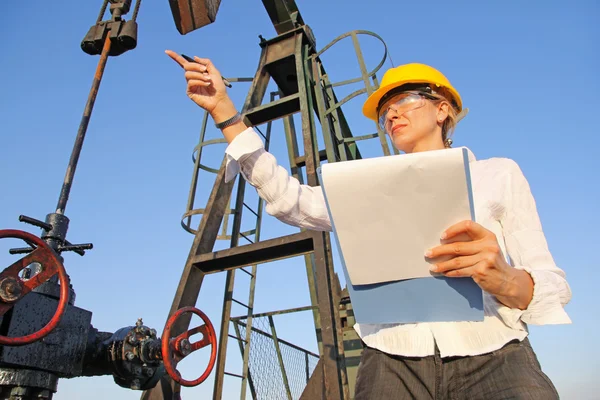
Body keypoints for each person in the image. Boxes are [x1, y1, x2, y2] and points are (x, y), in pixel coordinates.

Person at [165, 50, 572, 399]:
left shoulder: (497, 174)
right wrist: (225, 112)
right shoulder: (363, 187)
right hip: (391, 361)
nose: (391, 112)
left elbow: (550, 281)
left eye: (405, 99)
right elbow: (291, 200)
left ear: (443, 108)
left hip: (496, 356)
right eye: (384, 110)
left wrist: (506, 280)